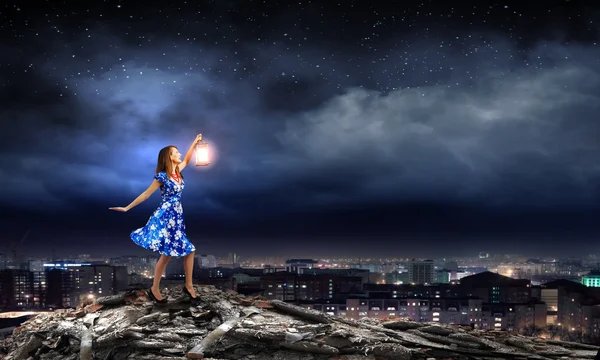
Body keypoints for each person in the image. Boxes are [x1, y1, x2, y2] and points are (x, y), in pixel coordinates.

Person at [109, 133, 204, 303]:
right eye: (176, 152)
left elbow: (188, 160)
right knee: (175, 252)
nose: (179, 154)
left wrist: (195, 143)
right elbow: (146, 194)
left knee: (181, 251)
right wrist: (127, 208)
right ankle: (166, 288)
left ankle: (184, 286)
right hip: (166, 216)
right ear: (169, 156)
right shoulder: (162, 176)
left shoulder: (177, 172)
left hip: (177, 216)